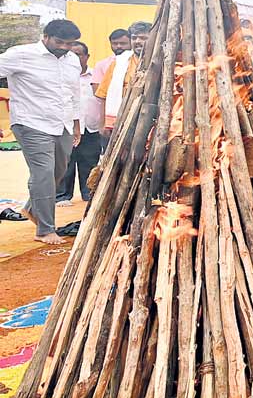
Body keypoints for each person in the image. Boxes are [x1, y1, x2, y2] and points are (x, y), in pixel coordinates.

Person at [0, 19, 82, 244]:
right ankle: (45, 230)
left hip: (63, 123)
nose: (64, 47)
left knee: (58, 171)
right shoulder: (20, 54)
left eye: (69, 43)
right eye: (59, 42)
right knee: (43, 172)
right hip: (30, 122)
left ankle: (32, 209)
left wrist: (76, 124)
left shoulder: (73, 59)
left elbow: (73, 93)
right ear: (45, 36)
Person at [56, 41, 103, 205]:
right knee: (64, 163)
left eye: (78, 54)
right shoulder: (60, 77)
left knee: (89, 162)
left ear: (87, 57)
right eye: (71, 54)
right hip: (66, 127)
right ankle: (62, 196)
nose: (74, 58)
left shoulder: (96, 76)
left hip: (91, 127)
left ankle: (88, 193)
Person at [95, 21, 151, 136]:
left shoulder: (162, 62)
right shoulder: (119, 62)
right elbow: (103, 96)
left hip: (150, 123)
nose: (138, 42)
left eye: (143, 38)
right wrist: (104, 124)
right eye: (134, 38)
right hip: (121, 122)